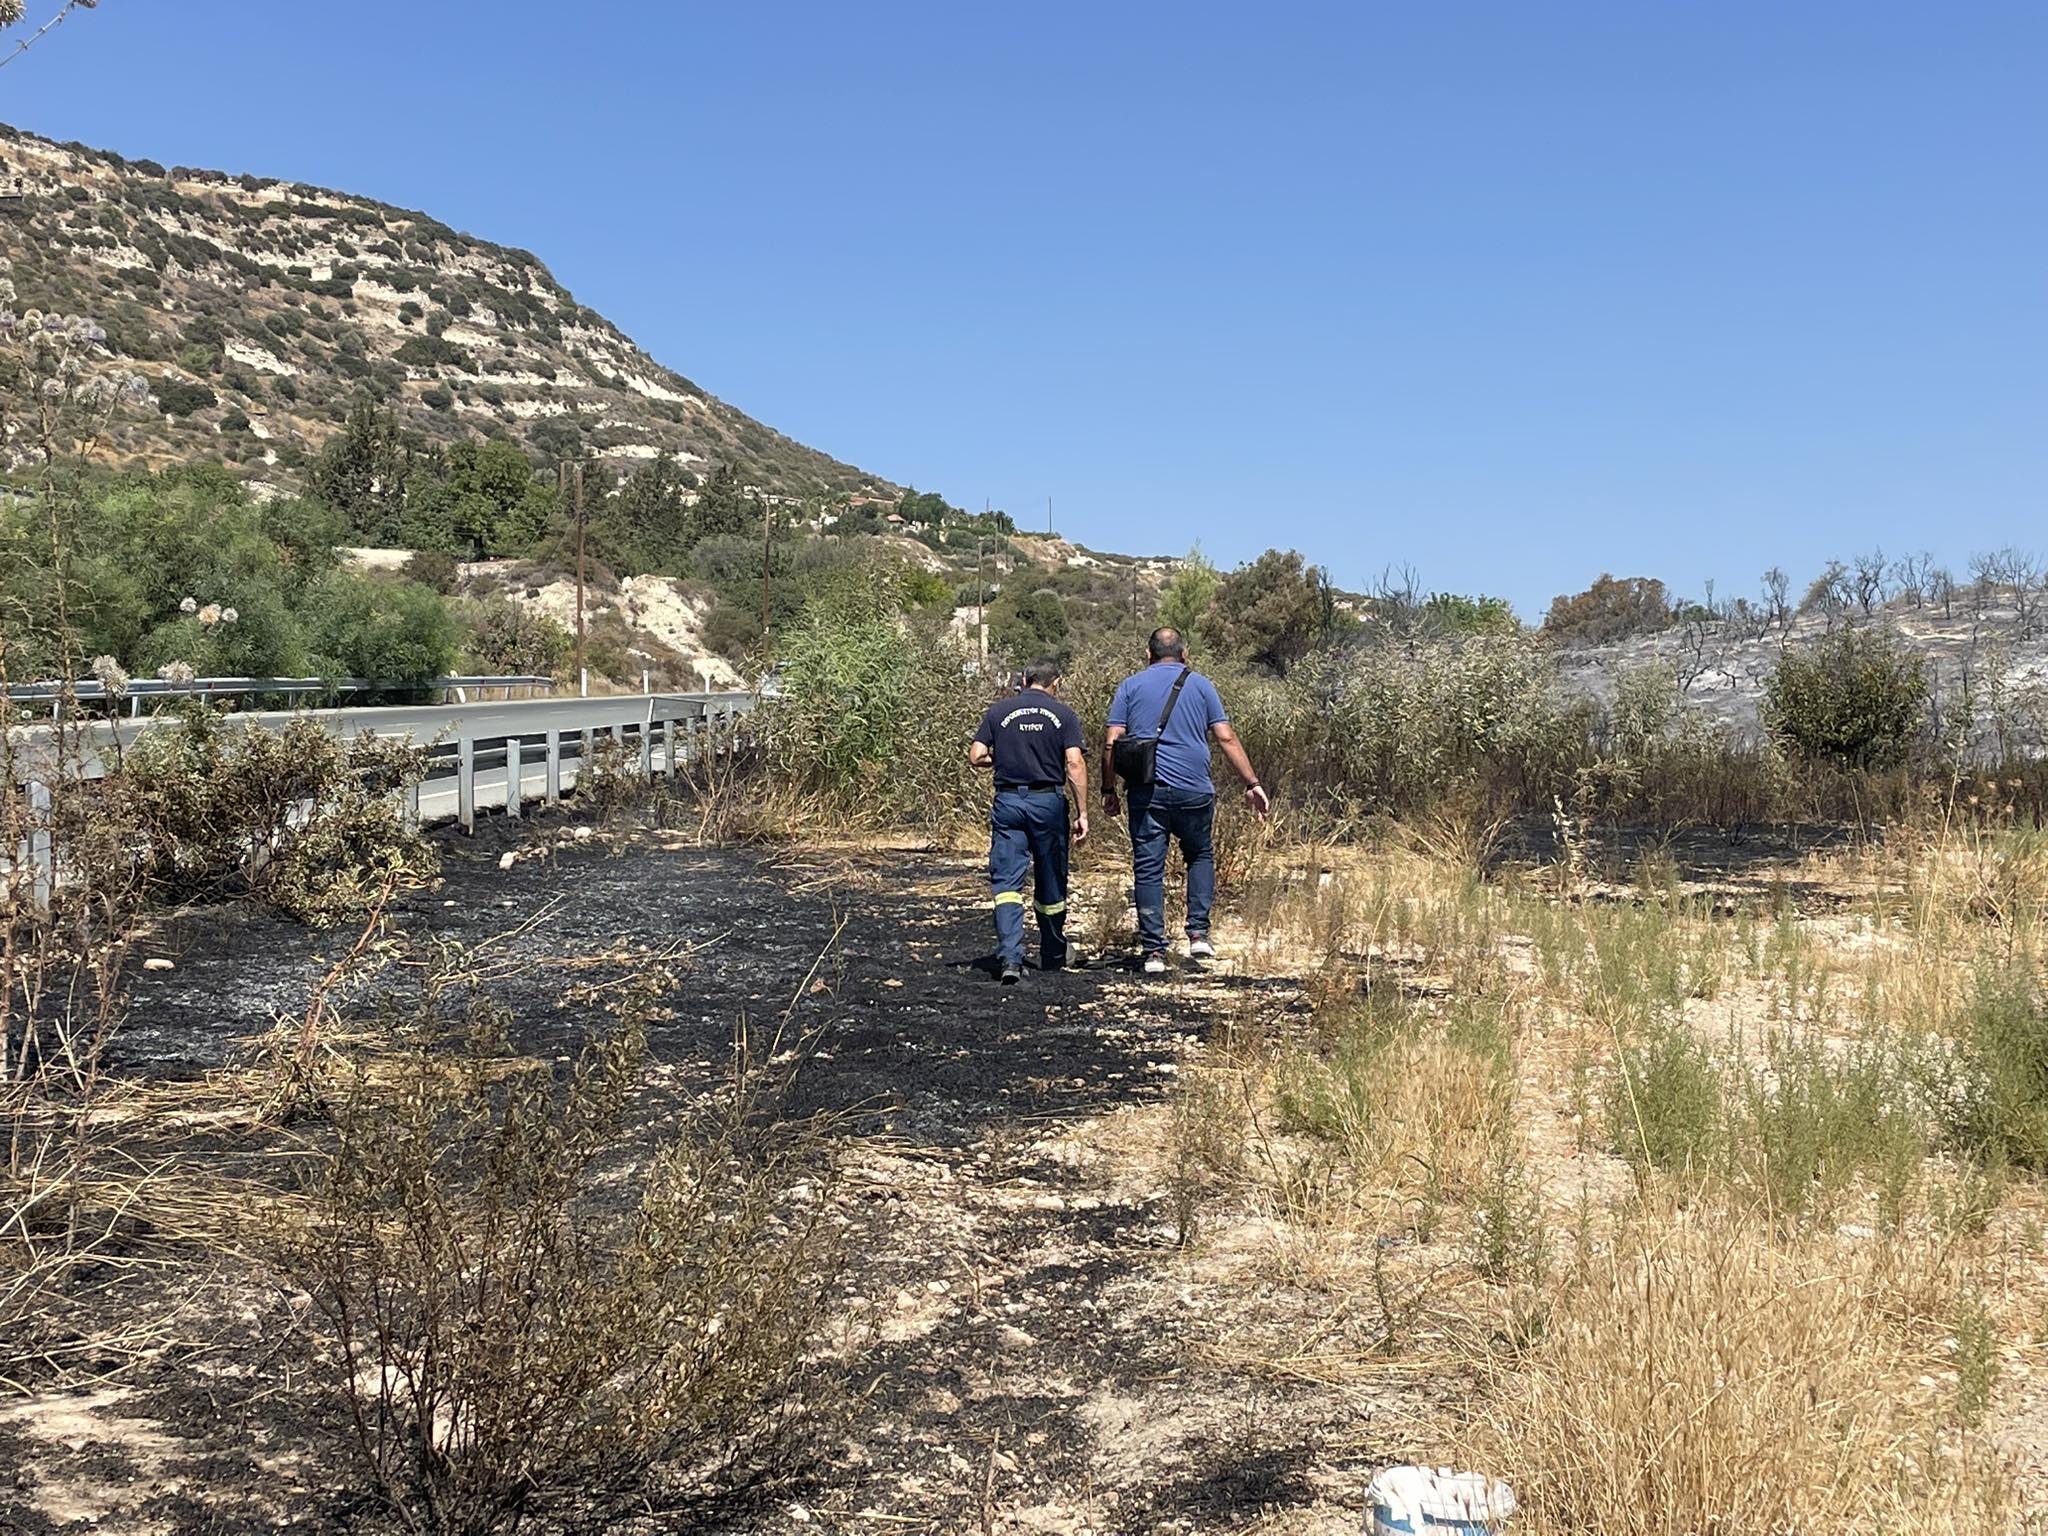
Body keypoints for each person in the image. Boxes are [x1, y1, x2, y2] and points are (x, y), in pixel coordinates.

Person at [1102, 627, 1268, 974]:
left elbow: (1111, 741)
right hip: (1195, 789)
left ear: (1148, 654)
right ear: (1184, 653)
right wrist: (1251, 782)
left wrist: (1108, 789)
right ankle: (1198, 934)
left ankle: (1154, 952)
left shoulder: (1130, 686)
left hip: (1147, 791)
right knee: (1200, 854)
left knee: (1148, 866)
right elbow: (1225, 737)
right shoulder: (1202, 685)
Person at [967, 656, 1090, 985]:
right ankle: (1051, 953)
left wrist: (1003, 759)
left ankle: (1010, 956)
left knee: (1007, 884)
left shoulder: (998, 712)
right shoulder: (1063, 715)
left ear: (1023, 679)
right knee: (1051, 878)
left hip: (1008, 801)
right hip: (1047, 802)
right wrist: (1082, 813)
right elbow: (1075, 763)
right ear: (1056, 683)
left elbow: (976, 755)